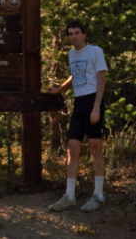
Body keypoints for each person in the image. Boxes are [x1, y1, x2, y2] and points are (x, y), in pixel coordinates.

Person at [46, 21, 108, 212]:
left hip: (93, 102)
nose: (74, 36)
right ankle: (69, 196)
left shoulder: (95, 51)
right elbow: (75, 75)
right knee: (73, 148)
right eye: (70, 34)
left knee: (95, 147)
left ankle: (98, 195)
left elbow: (102, 78)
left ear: (84, 34)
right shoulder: (71, 54)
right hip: (79, 103)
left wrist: (96, 107)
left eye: (77, 33)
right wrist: (60, 89)